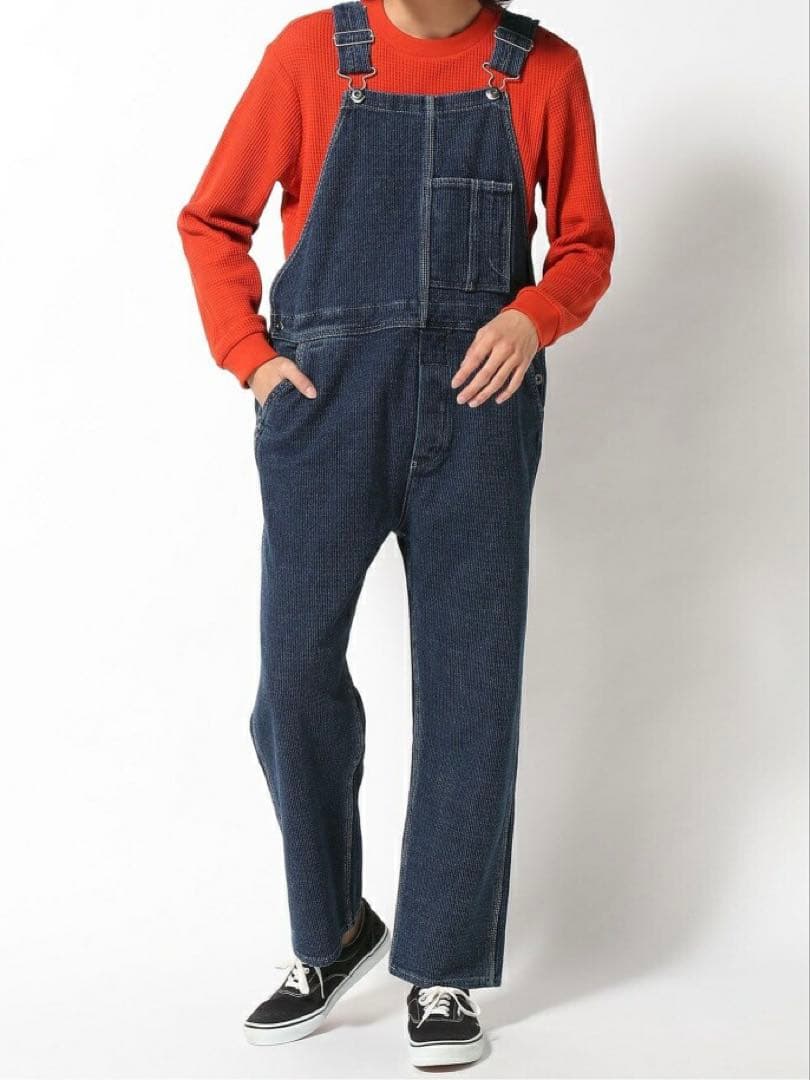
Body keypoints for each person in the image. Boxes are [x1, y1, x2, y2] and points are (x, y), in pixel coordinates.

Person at [177, 0, 614, 1066]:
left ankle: (444, 966)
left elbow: (586, 244)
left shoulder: (541, 69)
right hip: (326, 405)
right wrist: (250, 358)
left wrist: (533, 315)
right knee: (293, 676)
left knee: (471, 688)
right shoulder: (312, 55)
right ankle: (332, 932)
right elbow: (212, 221)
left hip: (479, 406)